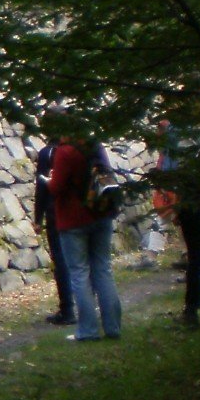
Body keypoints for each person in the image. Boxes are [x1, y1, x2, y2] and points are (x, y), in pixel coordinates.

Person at [48, 120, 123, 340]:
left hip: (73, 221)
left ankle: (88, 330)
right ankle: (113, 327)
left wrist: (47, 181)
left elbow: (56, 187)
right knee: (103, 269)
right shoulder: (94, 145)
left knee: (79, 273)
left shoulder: (65, 152)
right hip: (100, 214)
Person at [153, 102, 200, 327]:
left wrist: (177, 202)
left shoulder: (180, 135)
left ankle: (193, 309)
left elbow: (177, 172)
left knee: (198, 253)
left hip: (192, 201)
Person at [32, 118, 76, 326]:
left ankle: (67, 309)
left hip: (55, 211)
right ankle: (83, 304)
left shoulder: (47, 153)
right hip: (78, 211)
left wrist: (37, 217)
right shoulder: (76, 150)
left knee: (61, 260)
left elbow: (42, 187)